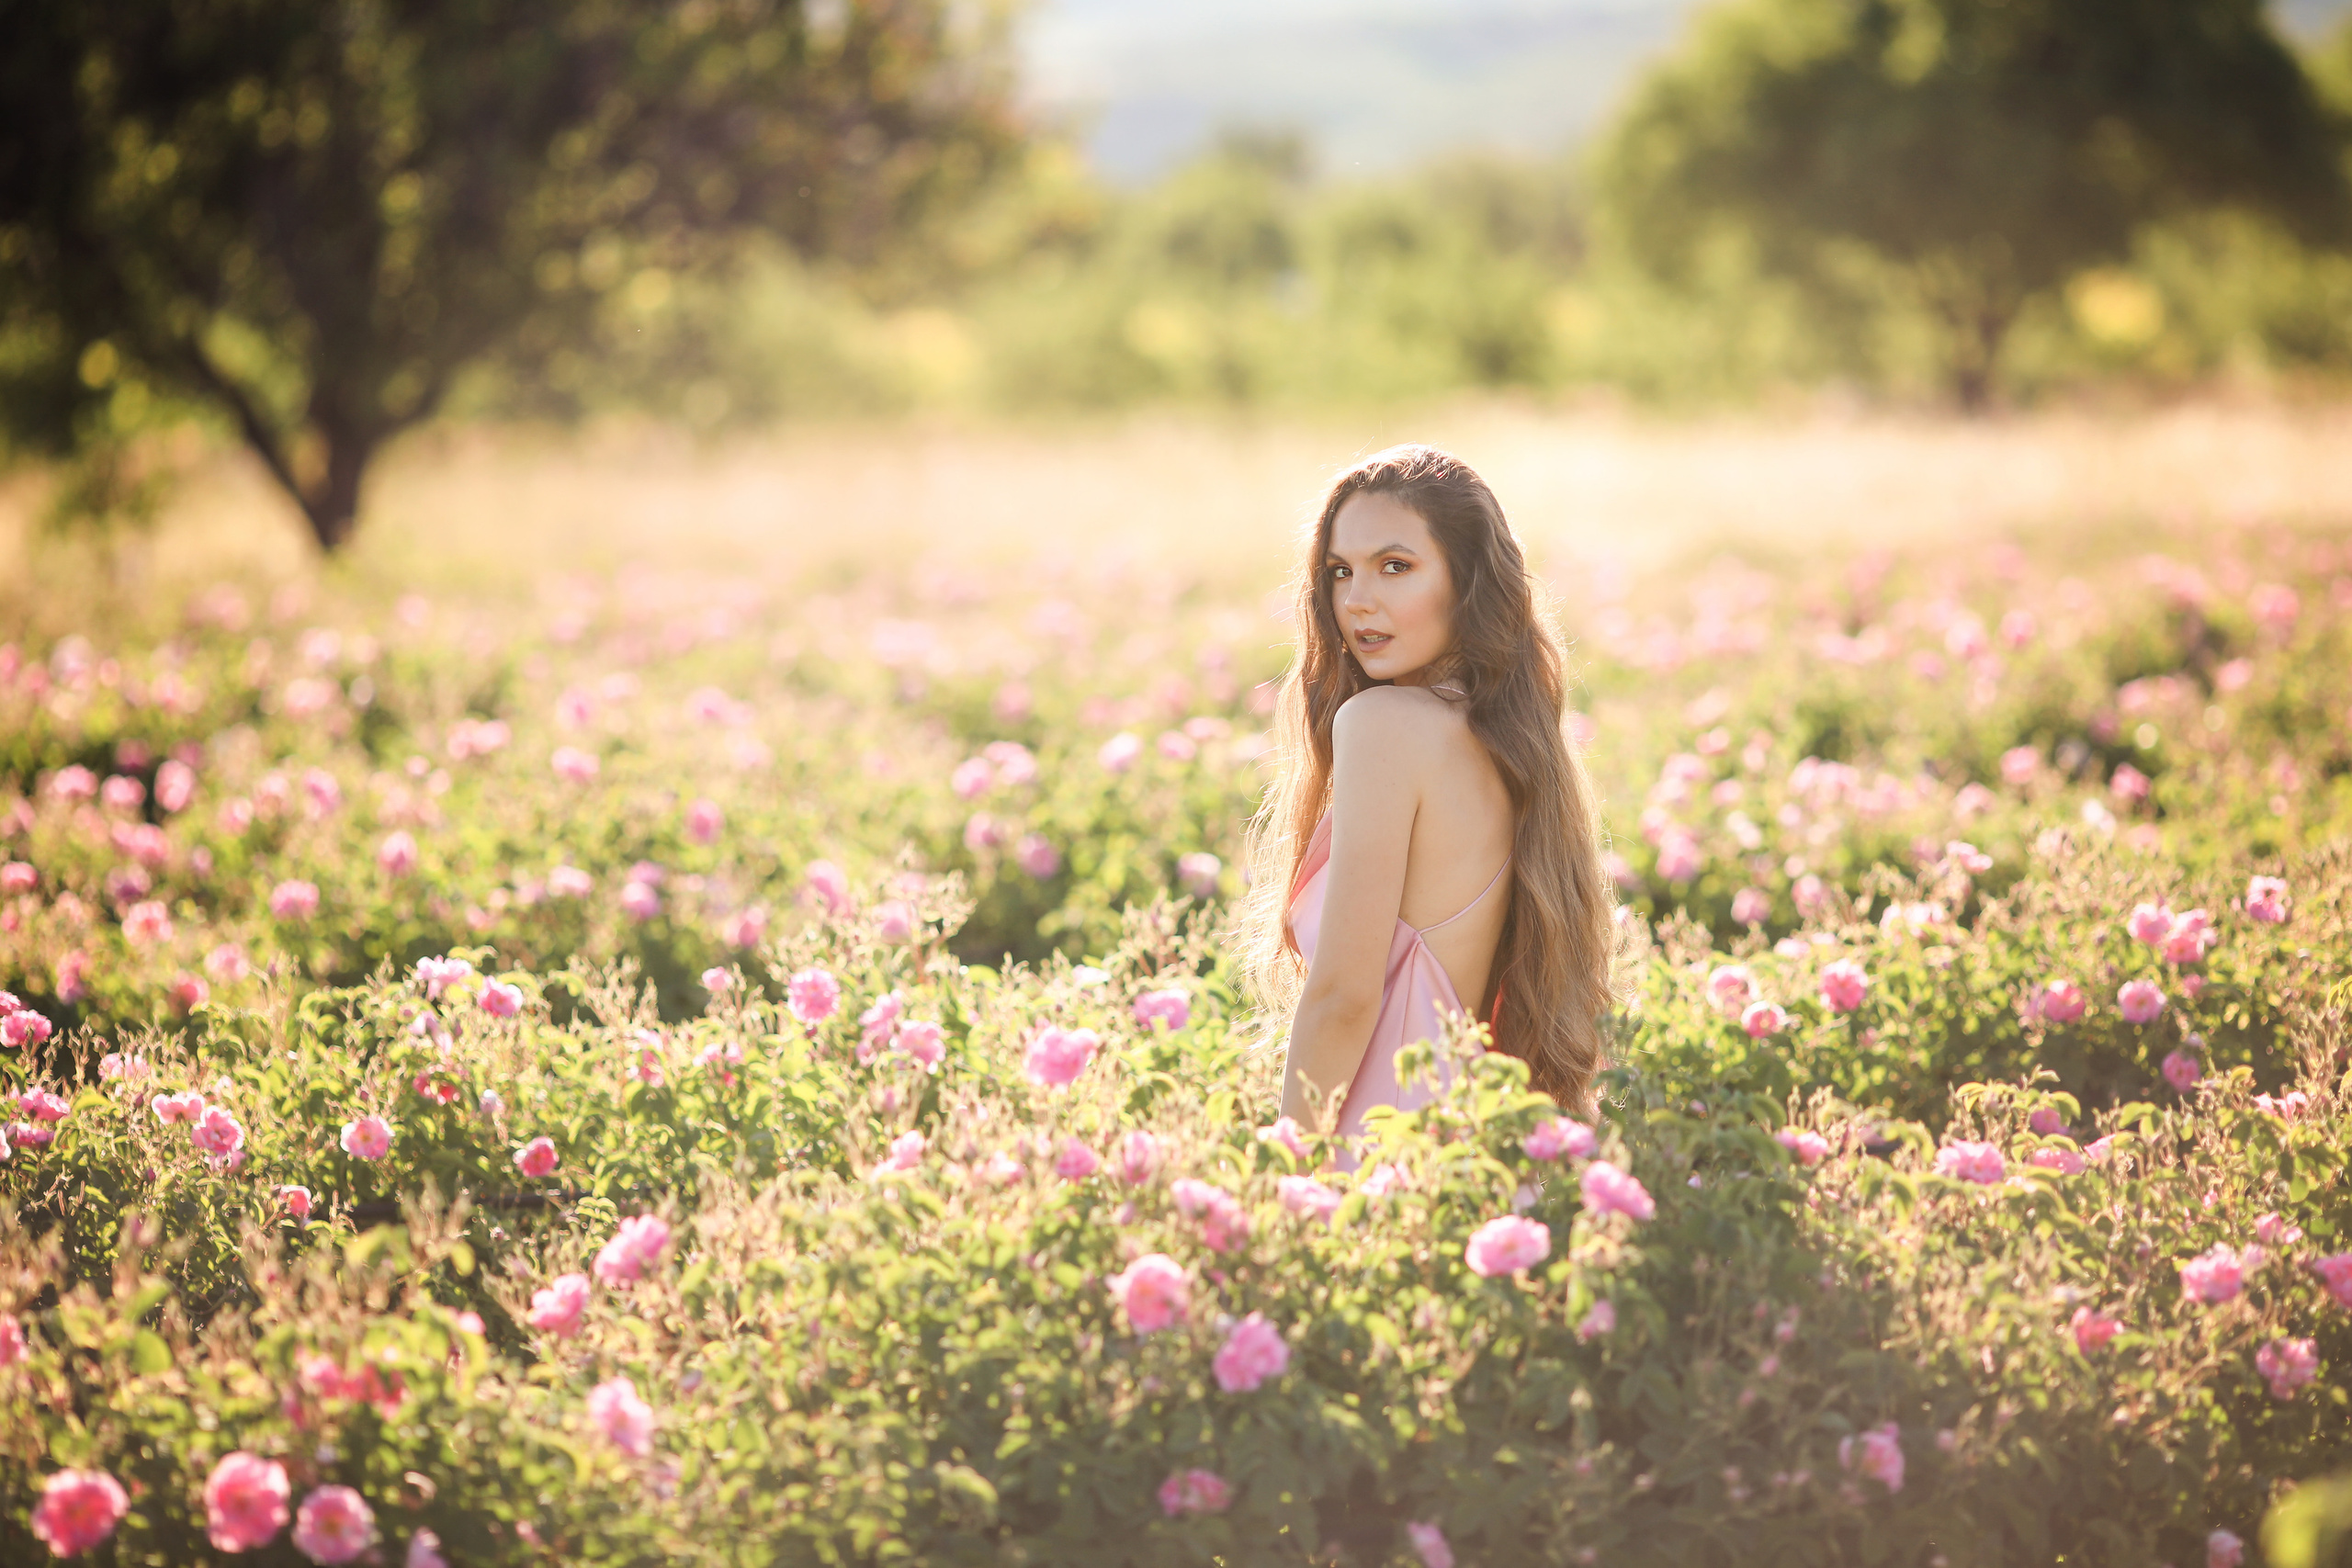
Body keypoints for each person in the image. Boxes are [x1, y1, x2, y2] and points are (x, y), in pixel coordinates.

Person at [1246, 445, 1614, 1140]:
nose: (1357, 600)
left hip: (1376, 1155)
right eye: (1340, 571)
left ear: (1467, 581)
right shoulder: (1507, 746)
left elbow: (1343, 998)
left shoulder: (1383, 725)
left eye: (1395, 566)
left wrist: (1283, 1168)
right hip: (1460, 1154)